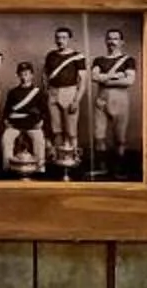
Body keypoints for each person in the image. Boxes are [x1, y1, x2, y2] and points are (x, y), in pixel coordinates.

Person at [89, 26, 139, 175]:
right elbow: (94, 77)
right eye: (109, 38)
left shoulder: (128, 60)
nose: (112, 42)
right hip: (101, 100)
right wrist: (117, 76)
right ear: (105, 41)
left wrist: (104, 79)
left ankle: (118, 168)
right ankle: (101, 167)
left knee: (120, 138)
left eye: (115, 39)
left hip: (120, 100)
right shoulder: (99, 60)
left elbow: (129, 81)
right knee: (99, 136)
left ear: (121, 42)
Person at [42, 25, 86, 160]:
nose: (60, 40)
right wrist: (47, 90)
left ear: (69, 39)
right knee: (56, 130)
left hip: (70, 92)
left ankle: (73, 159)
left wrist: (76, 100)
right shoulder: (50, 55)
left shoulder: (78, 56)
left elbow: (82, 81)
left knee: (71, 131)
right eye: (58, 38)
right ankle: (59, 159)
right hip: (53, 93)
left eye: (64, 38)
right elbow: (44, 74)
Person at [1, 60, 49, 175]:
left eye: (26, 74)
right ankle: (8, 167)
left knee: (39, 139)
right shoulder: (13, 92)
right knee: (6, 138)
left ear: (32, 75)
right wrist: (6, 121)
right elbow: (7, 110)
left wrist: (41, 121)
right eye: (21, 74)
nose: (24, 77)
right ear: (18, 75)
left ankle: (39, 168)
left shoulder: (38, 92)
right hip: (15, 125)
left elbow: (44, 111)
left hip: (32, 124)